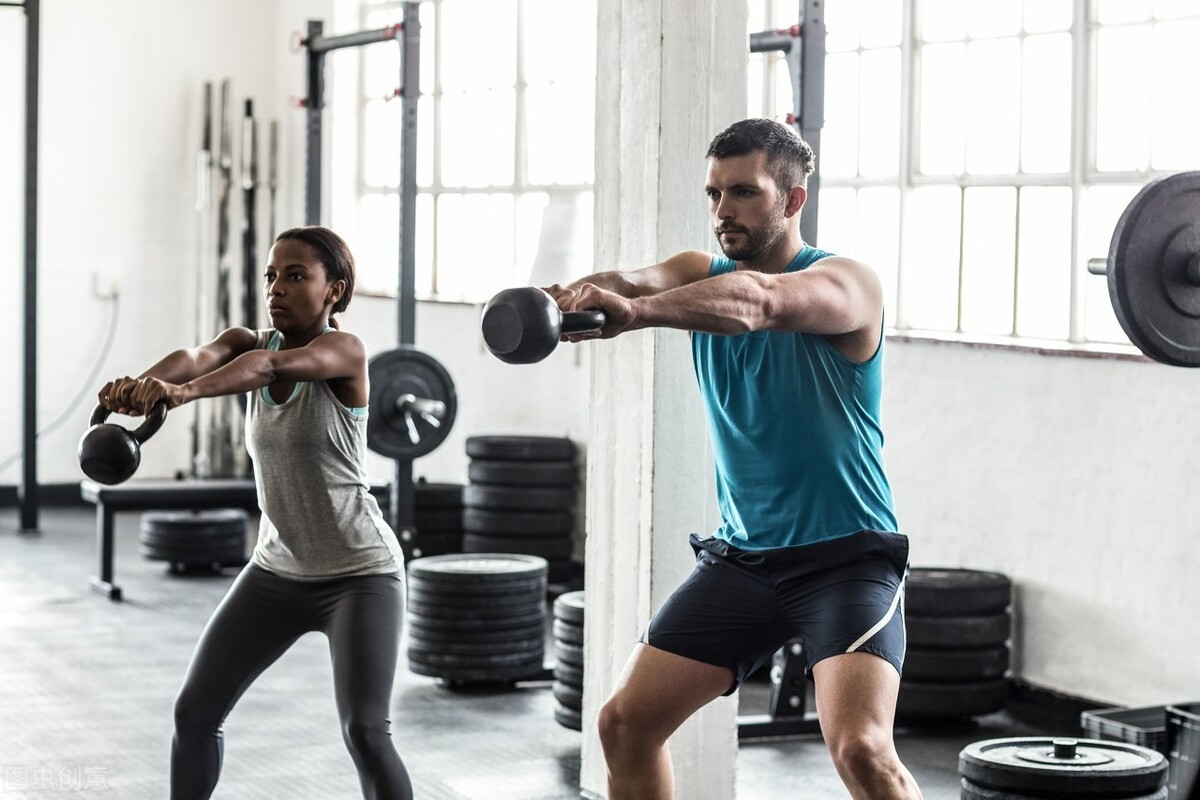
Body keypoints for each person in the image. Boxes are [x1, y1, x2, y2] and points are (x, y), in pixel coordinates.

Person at [544, 118, 921, 800]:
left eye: (744, 192)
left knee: (863, 751)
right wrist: (560, 298)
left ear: (793, 200)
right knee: (624, 725)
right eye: (715, 193)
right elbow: (632, 278)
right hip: (744, 561)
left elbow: (760, 303)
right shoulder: (697, 274)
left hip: (845, 559)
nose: (723, 210)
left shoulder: (847, 283)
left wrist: (639, 312)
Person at [96, 226, 413, 800]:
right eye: (271, 276)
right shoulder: (247, 341)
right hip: (276, 571)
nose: (276, 288)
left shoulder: (344, 352)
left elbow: (269, 368)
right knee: (194, 714)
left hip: (359, 574)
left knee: (366, 732)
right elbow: (197, 357)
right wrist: (144, 385)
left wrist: (183, 395)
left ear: (334, 290)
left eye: (296, 276)